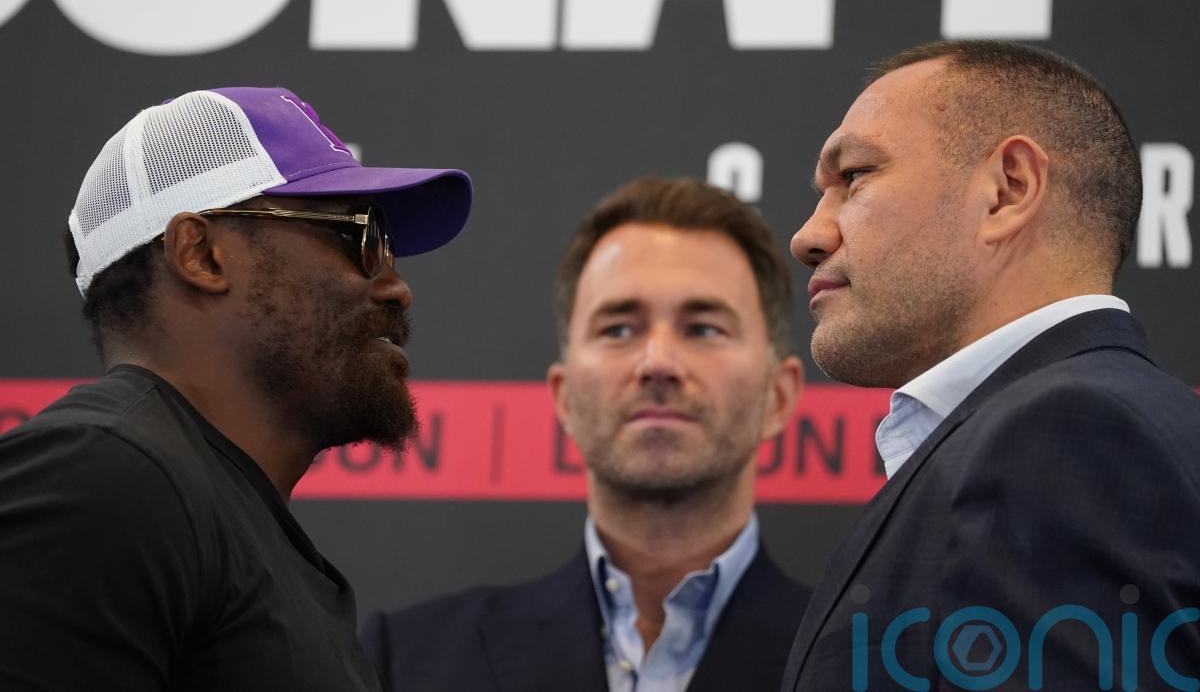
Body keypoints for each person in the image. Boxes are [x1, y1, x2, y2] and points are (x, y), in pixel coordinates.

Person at [0, 87, 472, 691]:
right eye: (359, 237)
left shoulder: (225, 520)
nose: (396, 287)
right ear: (202, 255)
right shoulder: (98, 475)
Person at [780, 40, 1200, 690]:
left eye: (855, 176)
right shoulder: (1084, 426)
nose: (808, 236)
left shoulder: (1065, 435)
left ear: (1008, 190)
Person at [361, 177, 810, 691]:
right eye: (619, 329)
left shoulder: (864, 661)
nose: (658, 362)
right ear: (565, 396)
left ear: (778, 396)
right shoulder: (406, 662)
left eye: (704, 328)